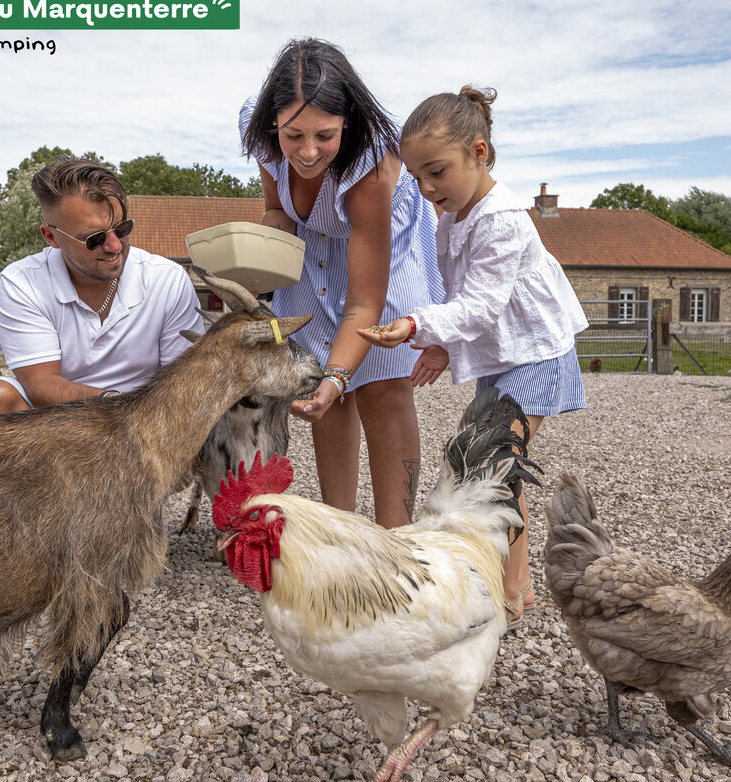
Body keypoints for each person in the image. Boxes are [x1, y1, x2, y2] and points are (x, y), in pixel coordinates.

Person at [358, 86, 589, 628]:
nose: (426, 186)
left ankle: (514, 584)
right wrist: (440, 343)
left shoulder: (500, 217)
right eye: (417, 176)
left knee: (495, 463)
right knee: (488, 459)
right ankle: (507, 575)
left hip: (535, 352)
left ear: (479, 153)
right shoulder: (451, 217)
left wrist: (417, 325)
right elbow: (457, 290)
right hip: (501, 356)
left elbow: (482, 305)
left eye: (436, 171)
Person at [239, 37, 442, 529]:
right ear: (273, 121)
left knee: (382, 388)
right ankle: (342, 536)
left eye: (325, 136)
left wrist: (340, 374)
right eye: (293, 136)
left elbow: (365, 302)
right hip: (313, 251)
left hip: (381, 249)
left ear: (348, 117)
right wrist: (251, 259)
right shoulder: (258, 126)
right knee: (322, 399)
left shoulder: (373, 160)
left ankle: (398, 544)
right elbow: (277, 209)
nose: (307, 153)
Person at [0, 157, 203, 414]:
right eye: (94, 239)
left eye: (122, 229)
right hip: (61, 421)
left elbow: (182, 382)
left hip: (149, 420)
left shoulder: (167, 279)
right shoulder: (21, 283)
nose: (114, 247)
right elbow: (41, 384)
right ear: (52, 237)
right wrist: (116, 403)